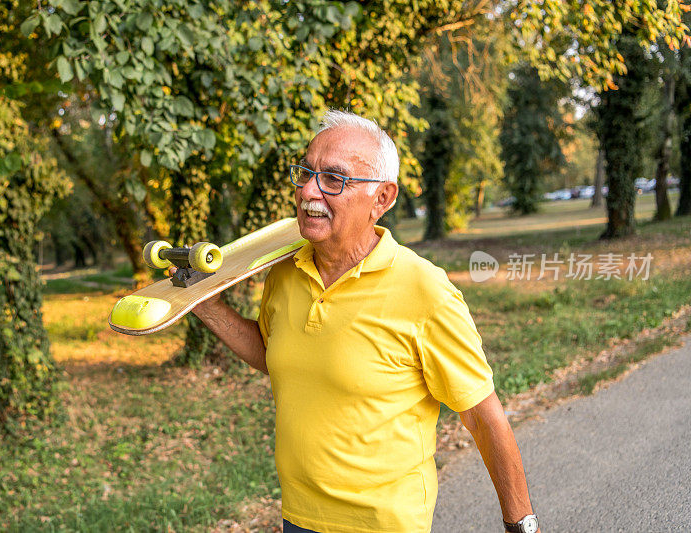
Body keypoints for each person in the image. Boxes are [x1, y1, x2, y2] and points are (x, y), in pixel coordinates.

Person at [191, 110, 539, 533]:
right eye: (304, 173)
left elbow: (483, 417)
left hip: (383, 524)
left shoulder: (424, 290)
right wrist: (202, 302)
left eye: (333, 180)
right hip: (298, 517)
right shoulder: (285, 273)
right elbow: (273, 353)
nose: (307, 192)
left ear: (383, 198)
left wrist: (522, 525)